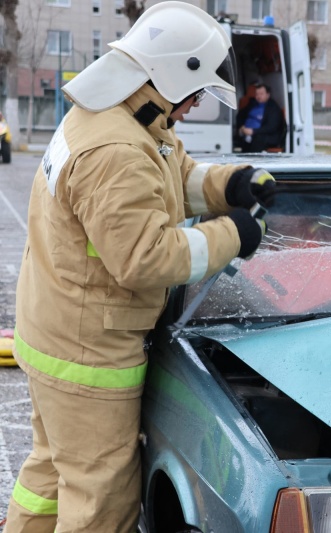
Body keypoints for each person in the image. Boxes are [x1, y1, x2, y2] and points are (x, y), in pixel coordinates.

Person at [4, 3, 278, 531]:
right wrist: (235, 235)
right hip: (88, 353)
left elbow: (169, 178)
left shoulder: (123, 116)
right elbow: (145, 256)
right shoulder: (116, 149)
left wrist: (231, 185)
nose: (194, 106)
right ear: (172, 75)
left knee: (51, 475)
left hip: (54, 331)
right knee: (101, 497)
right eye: (196, 94)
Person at [235, 82, 286, 152]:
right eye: (257, 94)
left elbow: (271, 127)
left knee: (257, 139)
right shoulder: (252, 103)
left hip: (264, 135)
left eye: (261, 94)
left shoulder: (273, 108)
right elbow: (240, 115)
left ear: (268, 95)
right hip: (247, 132)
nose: (258, 96)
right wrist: (242, 127)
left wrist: (253, 131)